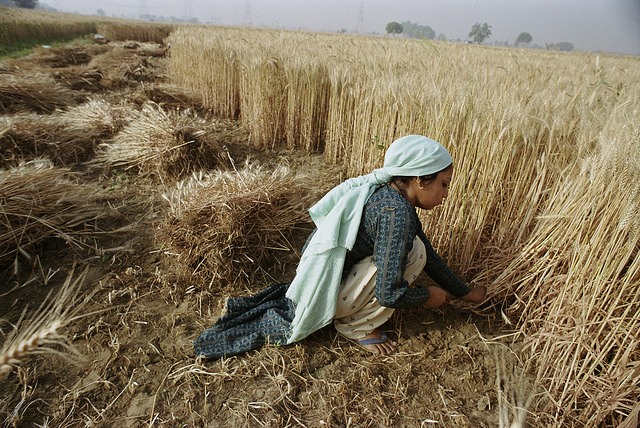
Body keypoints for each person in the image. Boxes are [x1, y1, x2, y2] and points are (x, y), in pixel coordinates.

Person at [194, 134, 487, 358]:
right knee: (412, 256)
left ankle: (350, 309)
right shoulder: (395, 213)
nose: (446, 193)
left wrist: (463, 292)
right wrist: (428, 297)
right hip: (327, 292)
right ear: (421, 180)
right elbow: (389, 293)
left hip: (327, 278)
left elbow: (430, 254)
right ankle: (355, 326)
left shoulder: (391, 196)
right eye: (444, 184)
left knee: (417, 252)